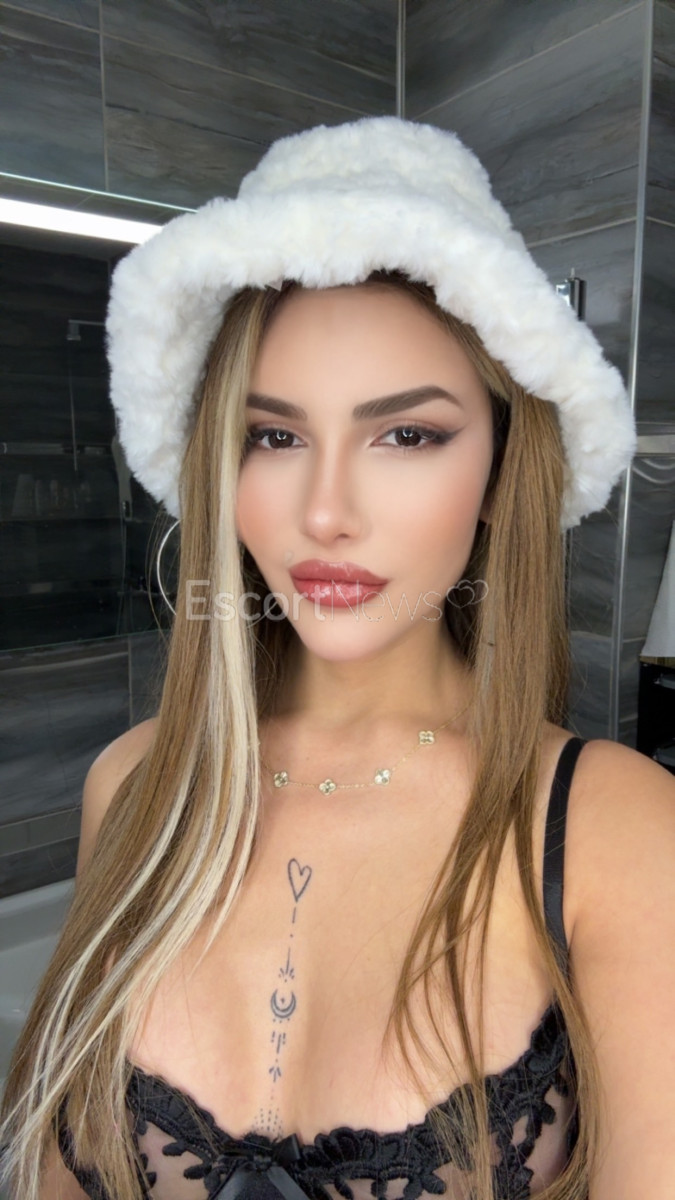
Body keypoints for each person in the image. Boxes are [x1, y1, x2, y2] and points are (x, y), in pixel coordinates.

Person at [1, 116, 674, 1200]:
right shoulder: (131, 786)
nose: (324, 512)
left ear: (502, 470)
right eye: (274, 436)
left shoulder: (617, 833)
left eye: (406, 434)